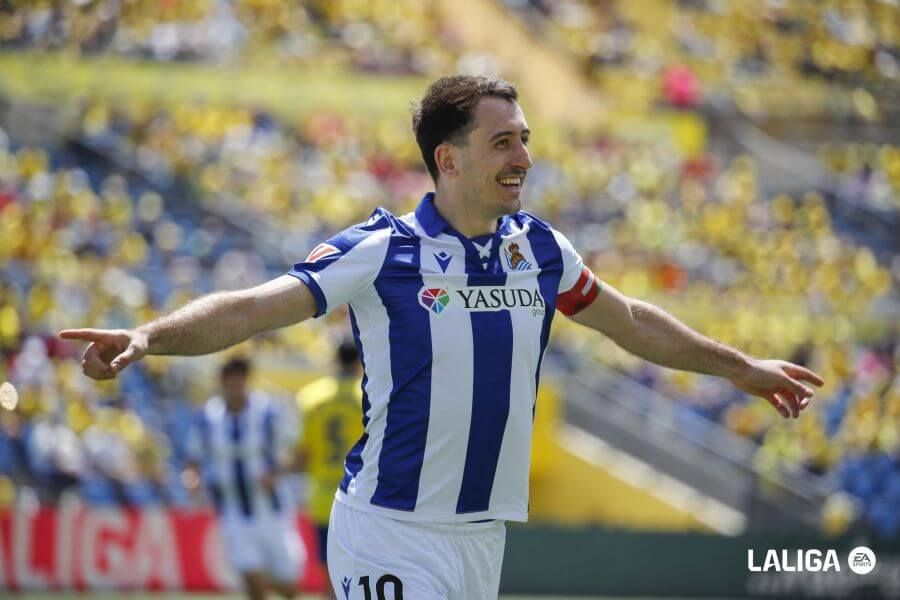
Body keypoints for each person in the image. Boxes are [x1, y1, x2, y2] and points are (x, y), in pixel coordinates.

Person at [61, 74, 824, 600]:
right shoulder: (383, 250)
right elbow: (256, 308)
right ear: (449, 159)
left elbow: (629, 321)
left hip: (481, 540)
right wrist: (148, 336)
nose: (524, 158)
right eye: (504, 143)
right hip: (389, 531)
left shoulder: (541, 250)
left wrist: (739, 368)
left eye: (525, 139)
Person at [182, 357, 305, 600]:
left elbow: (300, 453)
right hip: (232, 509)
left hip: (271, 508)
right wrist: (192, 479)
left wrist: (276, 474)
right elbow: (193, 459)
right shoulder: (208, 417)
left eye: (240, 379)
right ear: (222, 382)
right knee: (249, 572)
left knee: (288, 583)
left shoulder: (268, 412)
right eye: (231, 379)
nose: (235, 385)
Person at [295, 339, 364, 599]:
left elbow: (303, 453)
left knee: (331, 576)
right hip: (361, 495)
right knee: (364, 572)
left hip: (323, 496)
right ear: (359, 361)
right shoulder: (369, 395)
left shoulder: (311, 397)